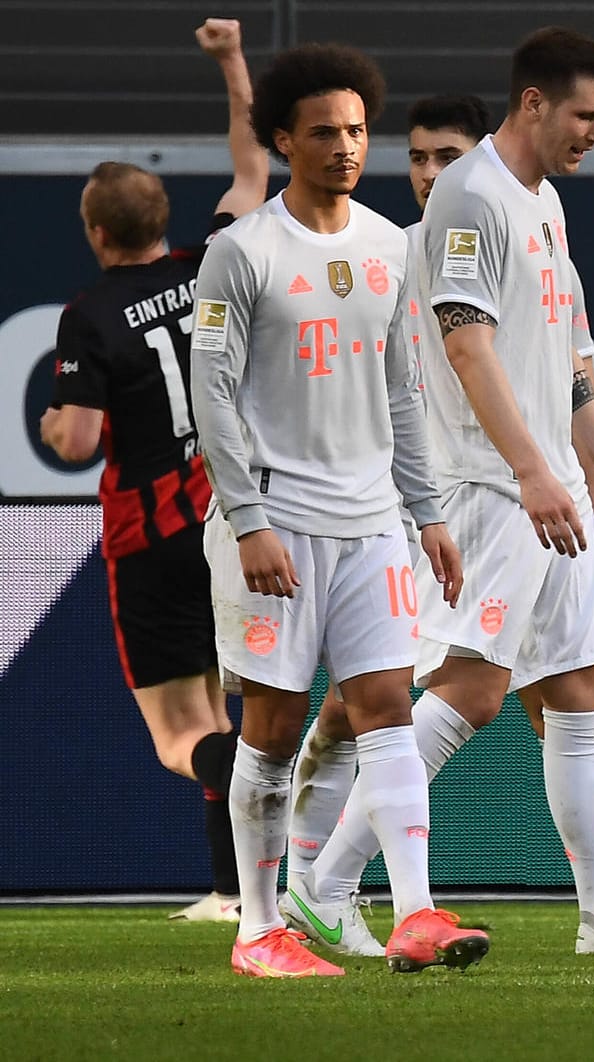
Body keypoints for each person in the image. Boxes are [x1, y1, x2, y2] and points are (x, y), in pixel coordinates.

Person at [302, 26, 594, 957]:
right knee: (472, 690)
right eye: (587, 114)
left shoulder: (542, 204)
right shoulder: (469, 195)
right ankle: (325, 885)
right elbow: (466, 342)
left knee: (581, 687)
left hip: (552, 482)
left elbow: (565, 356)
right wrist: (532, 470)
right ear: (533, 103)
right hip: (490, 486)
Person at [190, 42, 485, 978]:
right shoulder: (240, 252)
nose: (346, 147)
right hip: (274, 523)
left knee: (385, 707)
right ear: (283, 140)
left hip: (371, 524)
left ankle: (416, 914)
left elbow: (401, 391)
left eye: (358, 131)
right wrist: (248, 520)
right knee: (272, 728)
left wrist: (428, 512)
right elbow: (214, 397)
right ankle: (259, 930)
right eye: (324, 132)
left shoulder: (391, 245)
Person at [37, 18, 267, 924]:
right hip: (230, 519)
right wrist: (231, 62)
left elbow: (80, 441)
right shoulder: (210, 263)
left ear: (95, 231)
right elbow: (252, 167)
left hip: (151, 531)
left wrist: (57, 416)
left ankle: (254, 820)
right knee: (230, 704)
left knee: (185, 736)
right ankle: (231, 892)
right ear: (163, 219)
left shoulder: (89, 315)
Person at [282, 94, 496, 946]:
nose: (429, 175)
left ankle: (321, 886)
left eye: (447, 157)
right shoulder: (381, 254)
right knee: (362, 704)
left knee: (399, 699)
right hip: (396, 504)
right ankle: (317, 884)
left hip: (467, 505)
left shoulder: (514, 238)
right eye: (417, 158)